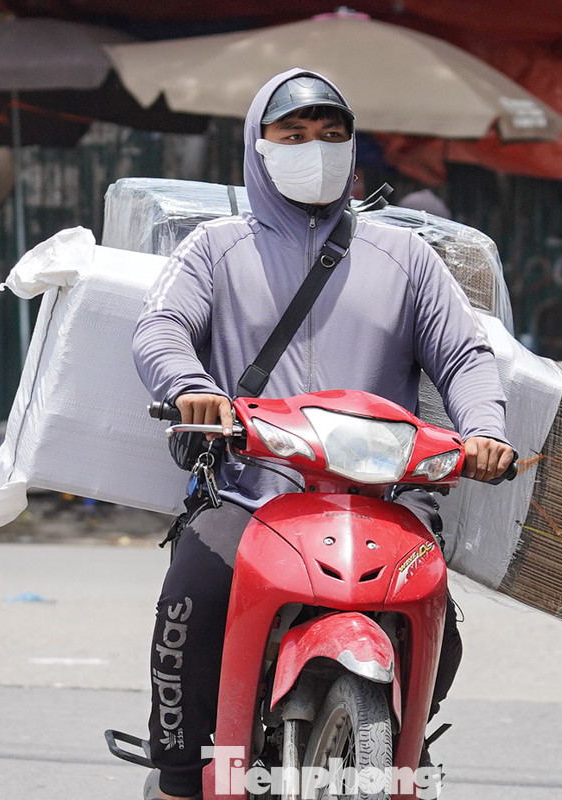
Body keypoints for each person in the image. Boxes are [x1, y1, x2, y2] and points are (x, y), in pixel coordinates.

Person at [132, 68, 515, 800]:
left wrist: (485, 430)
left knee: (444, 626)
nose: (316, 149)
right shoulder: (215, 249)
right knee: (192, 605)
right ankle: (180, 778)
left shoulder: (405, 258)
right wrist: (193, 390)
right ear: (259, 144)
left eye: (332, 136)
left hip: (384, 498)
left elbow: (463, 355)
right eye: (295, 135)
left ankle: (397, 741)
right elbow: (161, 328)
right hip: (249, 492)